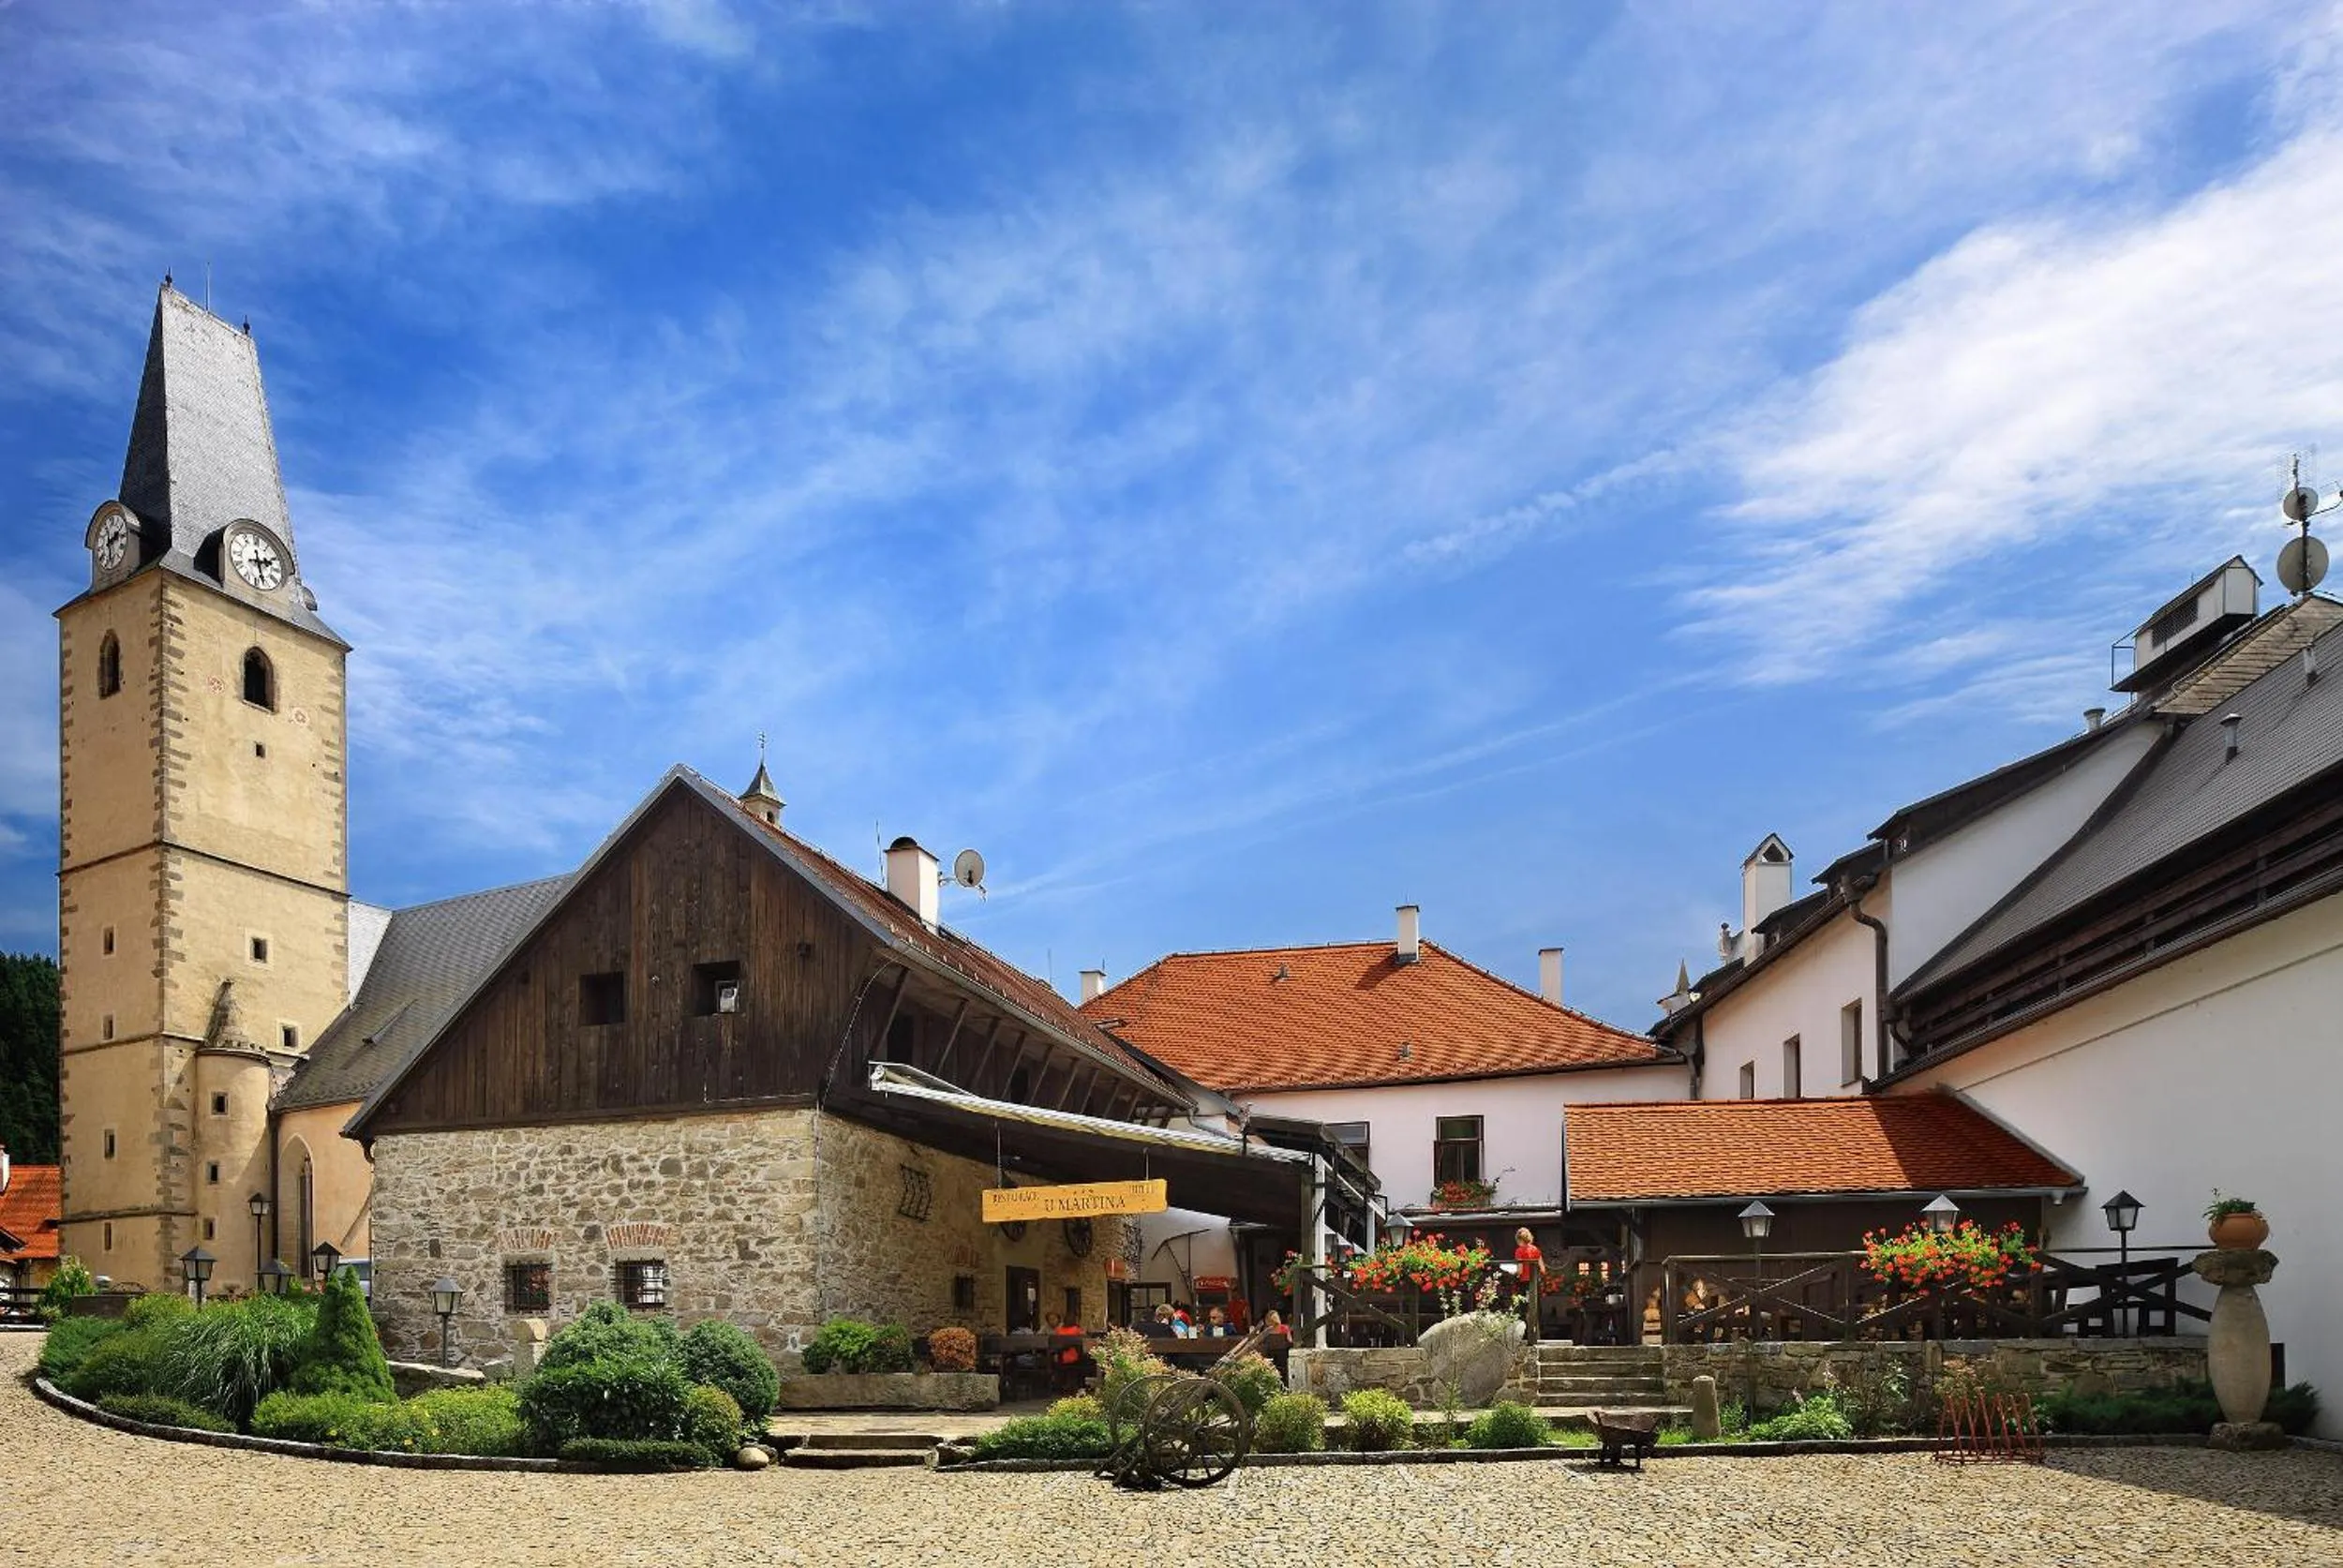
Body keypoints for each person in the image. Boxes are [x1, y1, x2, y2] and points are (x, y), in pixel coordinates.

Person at [1514, 1227, 1546, 1346]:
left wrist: (1514, 1273)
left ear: (1519, 1239)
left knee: (1523, 1309)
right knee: (1535, 1309)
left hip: (1524, 1283)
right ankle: (1536, 1335)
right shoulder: (1536, 1250)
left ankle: (1525, 1336)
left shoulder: (1519, 1251)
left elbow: (1520, 1270)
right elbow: (1543, 1269)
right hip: (1535, 1283)